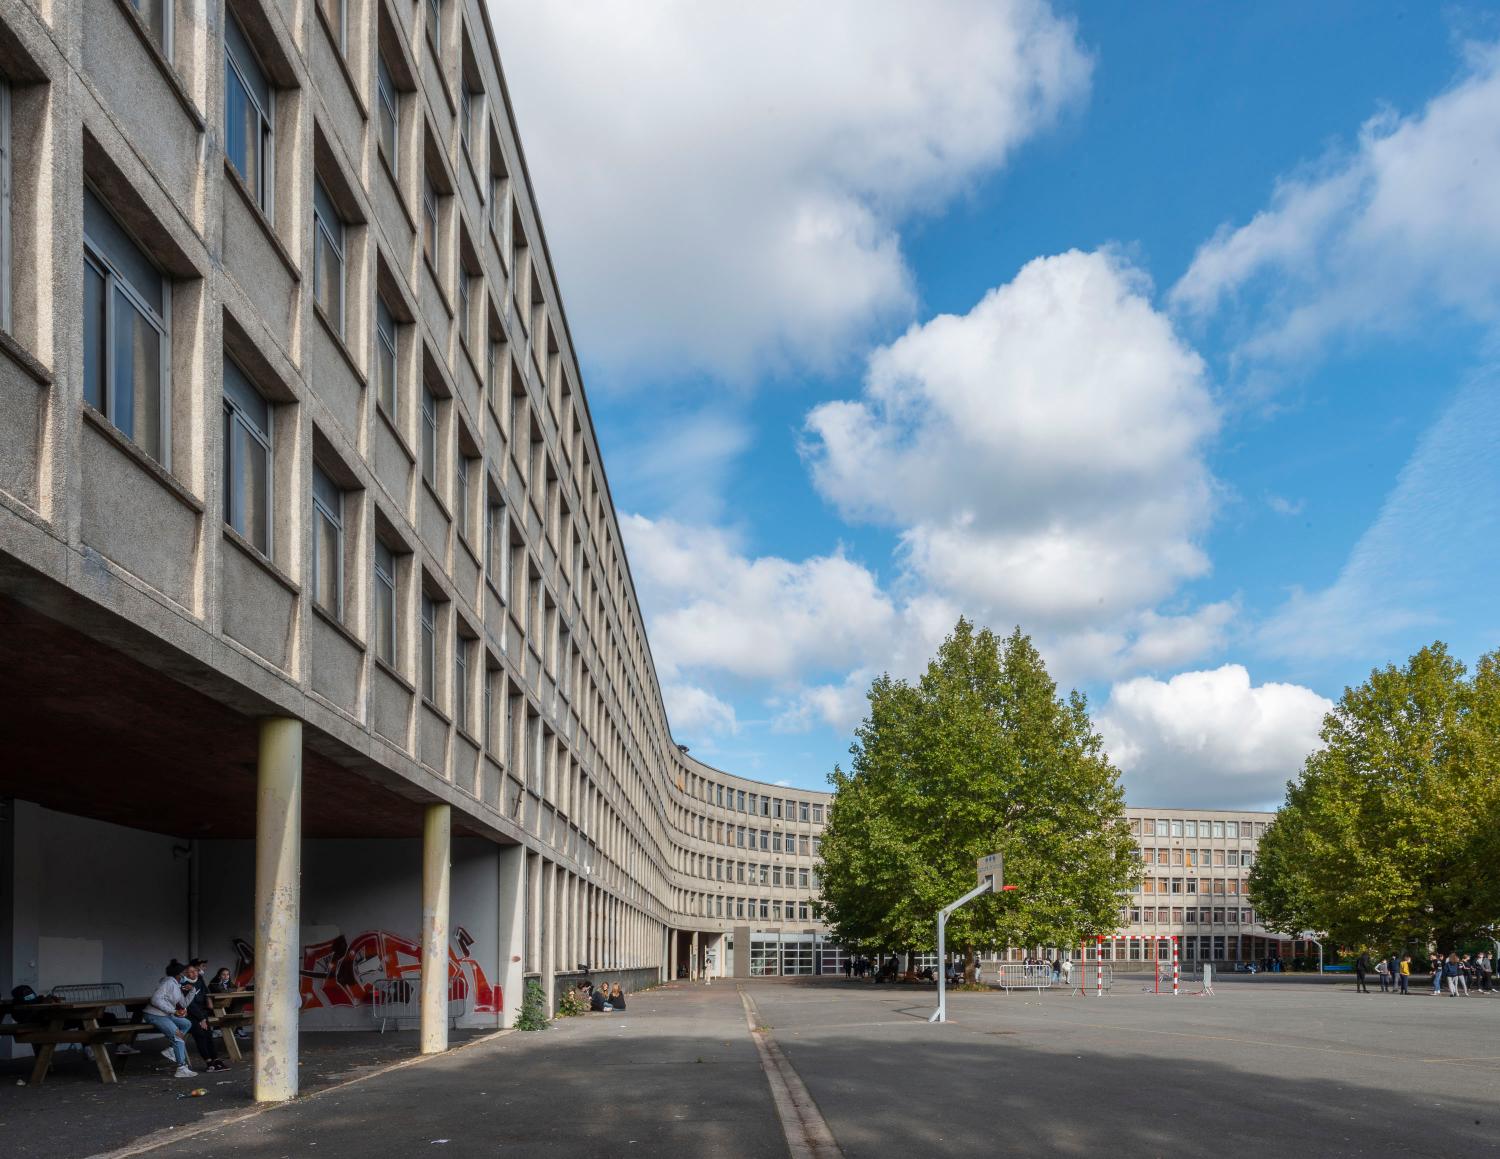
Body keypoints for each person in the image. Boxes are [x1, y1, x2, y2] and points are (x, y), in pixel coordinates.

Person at [144, 960, 198, 1078]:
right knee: (178, 1036)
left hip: (165, 1015)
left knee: (186, 1023)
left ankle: (172, 1049)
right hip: (155, 1015)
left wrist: (192, 991)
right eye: (185, 972)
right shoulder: (168, 983)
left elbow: (183, 1004)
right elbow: (155, 999)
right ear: (179, 974)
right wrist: (173, 1011)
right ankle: (181, 1068)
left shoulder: (176, 984)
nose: (187, 975)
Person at [179, 962, 227, 1071]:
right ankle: (208, 1061)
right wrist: (201, 1019)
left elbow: (206, 992)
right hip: (189, 1015)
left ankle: (216, 1059)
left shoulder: (199, 980)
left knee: (208, 1035)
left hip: (202, 1013)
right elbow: (190, 1005)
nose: (194, 973)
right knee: (200, 1034)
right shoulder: (184, 985)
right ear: (185, 973)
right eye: (190, 972)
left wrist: (208, 1001)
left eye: (195, 971)